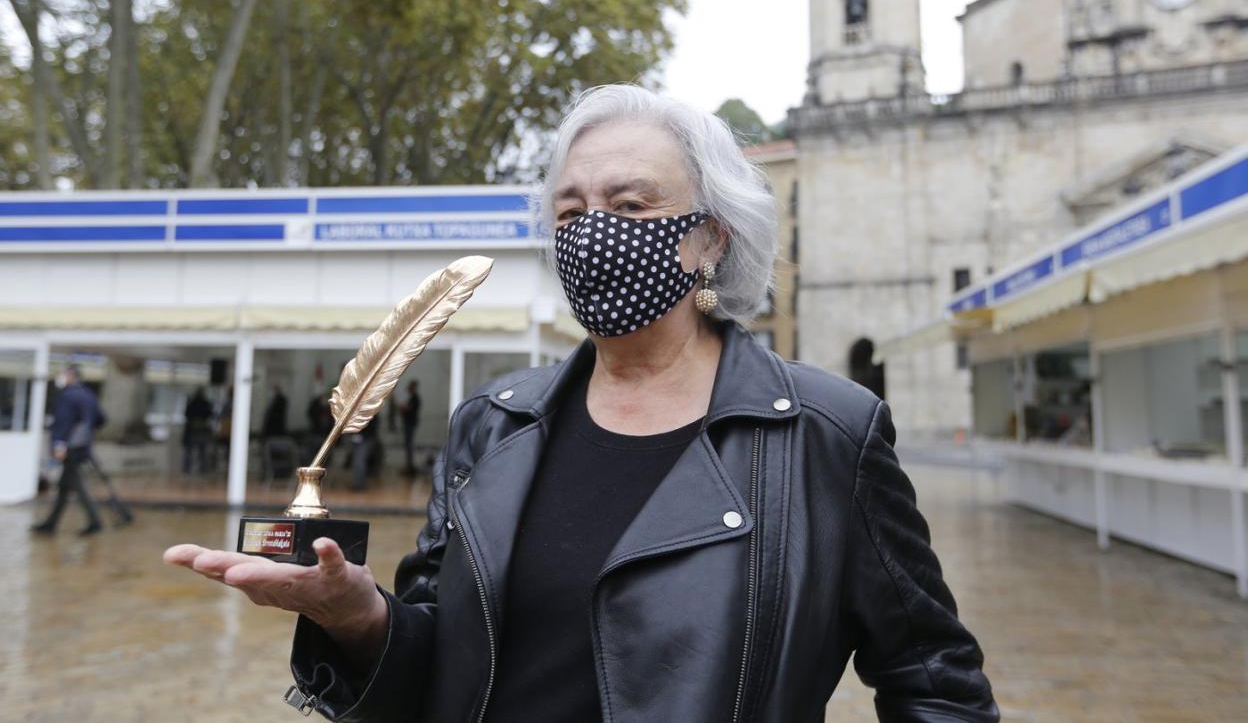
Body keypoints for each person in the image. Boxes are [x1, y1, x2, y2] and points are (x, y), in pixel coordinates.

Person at [165, 86, 999, 722]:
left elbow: (935, 682)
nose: (593, 231)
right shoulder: (491, 428)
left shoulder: (826, 434)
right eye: (572, 211)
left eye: (630, 206)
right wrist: (360, 618)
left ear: (710, 237)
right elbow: (439, 659)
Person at [32, 364, 105, 536]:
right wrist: (86, 432)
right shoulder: (89, 395)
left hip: (69, 448)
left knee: (76, 485)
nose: (61, 378)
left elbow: (63, 423)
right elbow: (101, 419)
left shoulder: (68, 396)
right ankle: (50, 524)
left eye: (64, 375)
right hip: (82, 447)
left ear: (72, 377)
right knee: (65, 487)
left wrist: (60, 445)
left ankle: (95, 522)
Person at [182, 387, 214, 475]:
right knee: (201, 451)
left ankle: (187, 470)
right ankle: (201, 470)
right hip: (200, 430)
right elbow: (211, 414)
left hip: (194, 430)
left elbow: (186, 414)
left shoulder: (192, 403)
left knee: (191, 452)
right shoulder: (205, 404)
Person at [399, 380, 422, 476]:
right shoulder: (412, 398)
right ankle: (409, 467)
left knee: (409, 446)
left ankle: (410, 468)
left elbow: (407, 409)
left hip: (410, 424)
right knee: (408, 446)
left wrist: (401, 407)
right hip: (409, 424)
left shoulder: (414, 398)